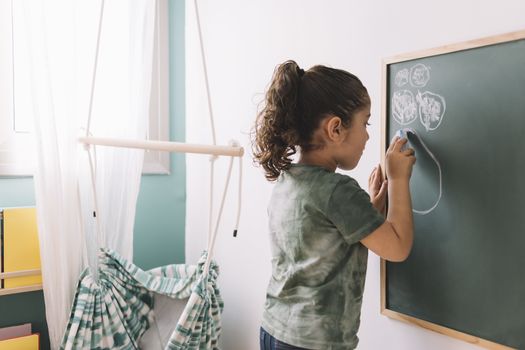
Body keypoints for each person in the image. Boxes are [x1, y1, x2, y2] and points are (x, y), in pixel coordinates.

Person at [252, 60, 416, 350]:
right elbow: (398, 247)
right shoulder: (338, 191)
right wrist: (399, 178)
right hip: (313, 343)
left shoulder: (288, 180)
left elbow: (335, 237)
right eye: (365, 123)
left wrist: (372, 208)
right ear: (336, 128)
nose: (368, 136)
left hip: (275, 330)